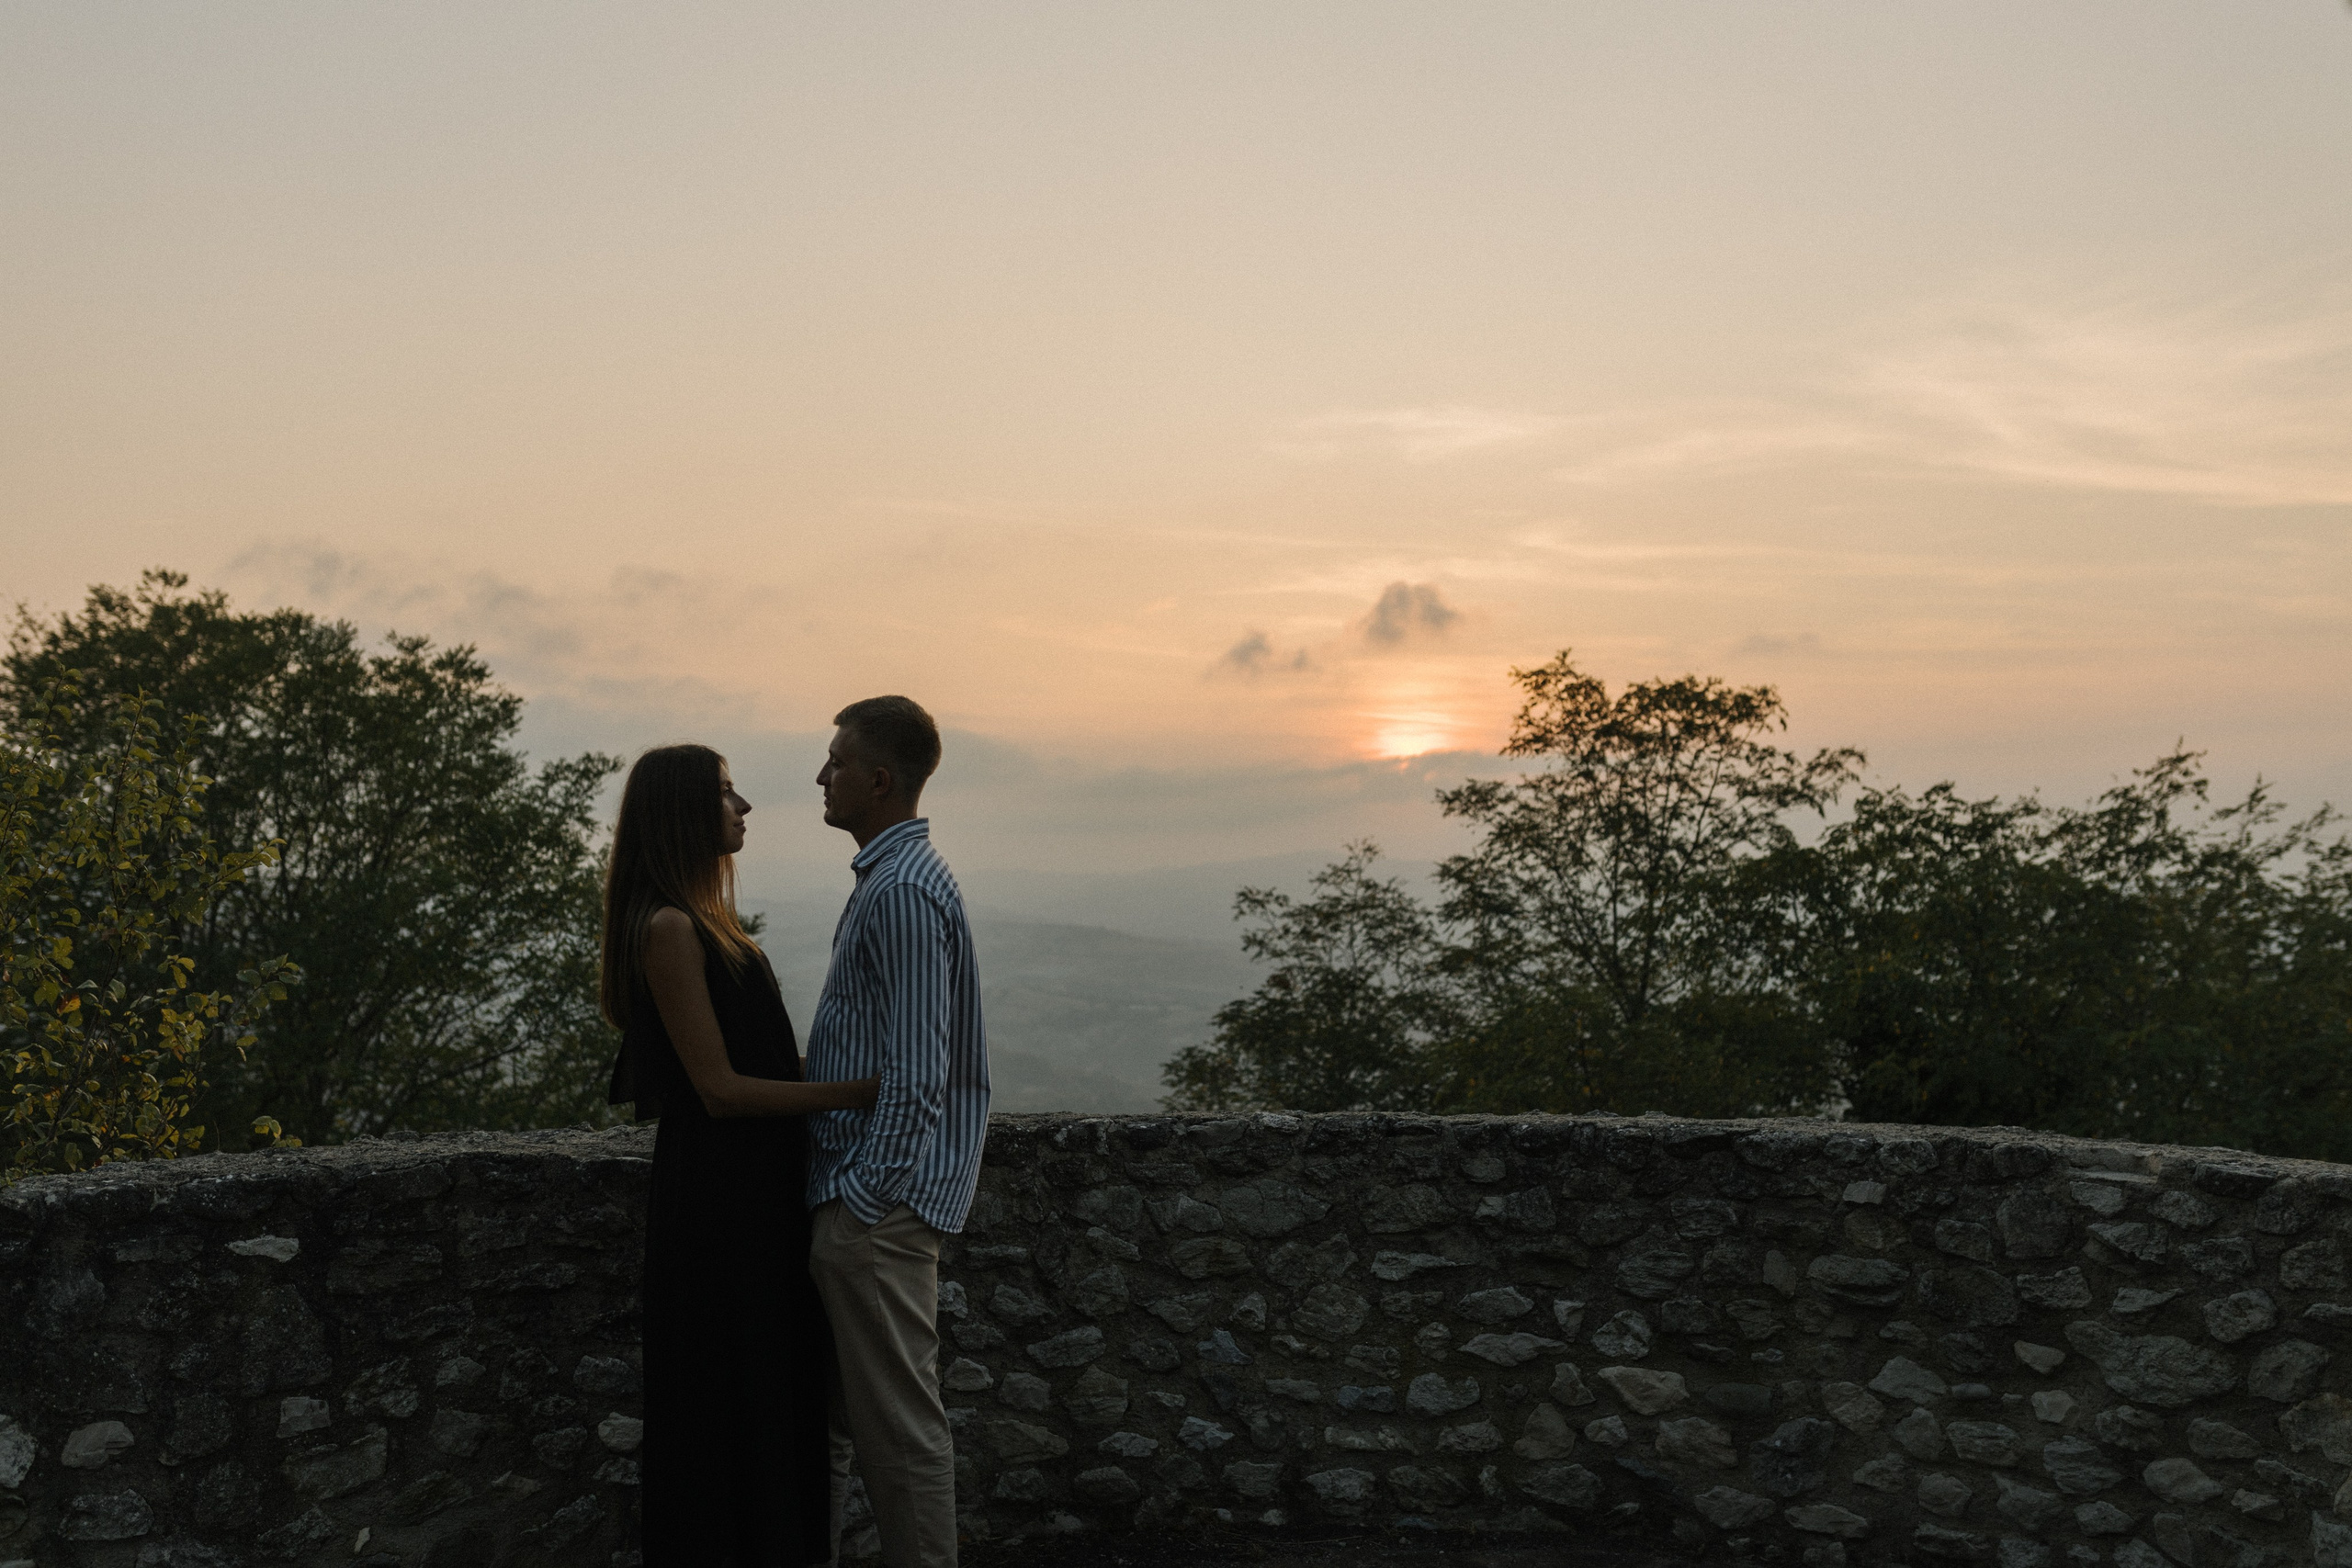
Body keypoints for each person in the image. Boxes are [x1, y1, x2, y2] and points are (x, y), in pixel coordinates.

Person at [600, 743, 879, 1568]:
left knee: (768, 1403)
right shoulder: (668, 928)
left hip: (753, 1203)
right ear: (685, 811)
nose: (745, 806)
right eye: (725, 794)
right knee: (727, 1411)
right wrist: (861, 1092)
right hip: (718, 1214)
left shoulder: (704, 922)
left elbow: (754, 1068)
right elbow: (720, 1090)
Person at [803, 696, 989, 1568]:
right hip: (868, 1206)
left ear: (880, 780)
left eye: (836, 761)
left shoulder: (904, 891)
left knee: (902, 1436)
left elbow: (919, 1074)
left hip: (878, 1210)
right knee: (842, 1424)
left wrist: (862, 1205)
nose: (821, 775)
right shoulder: (895, 880)